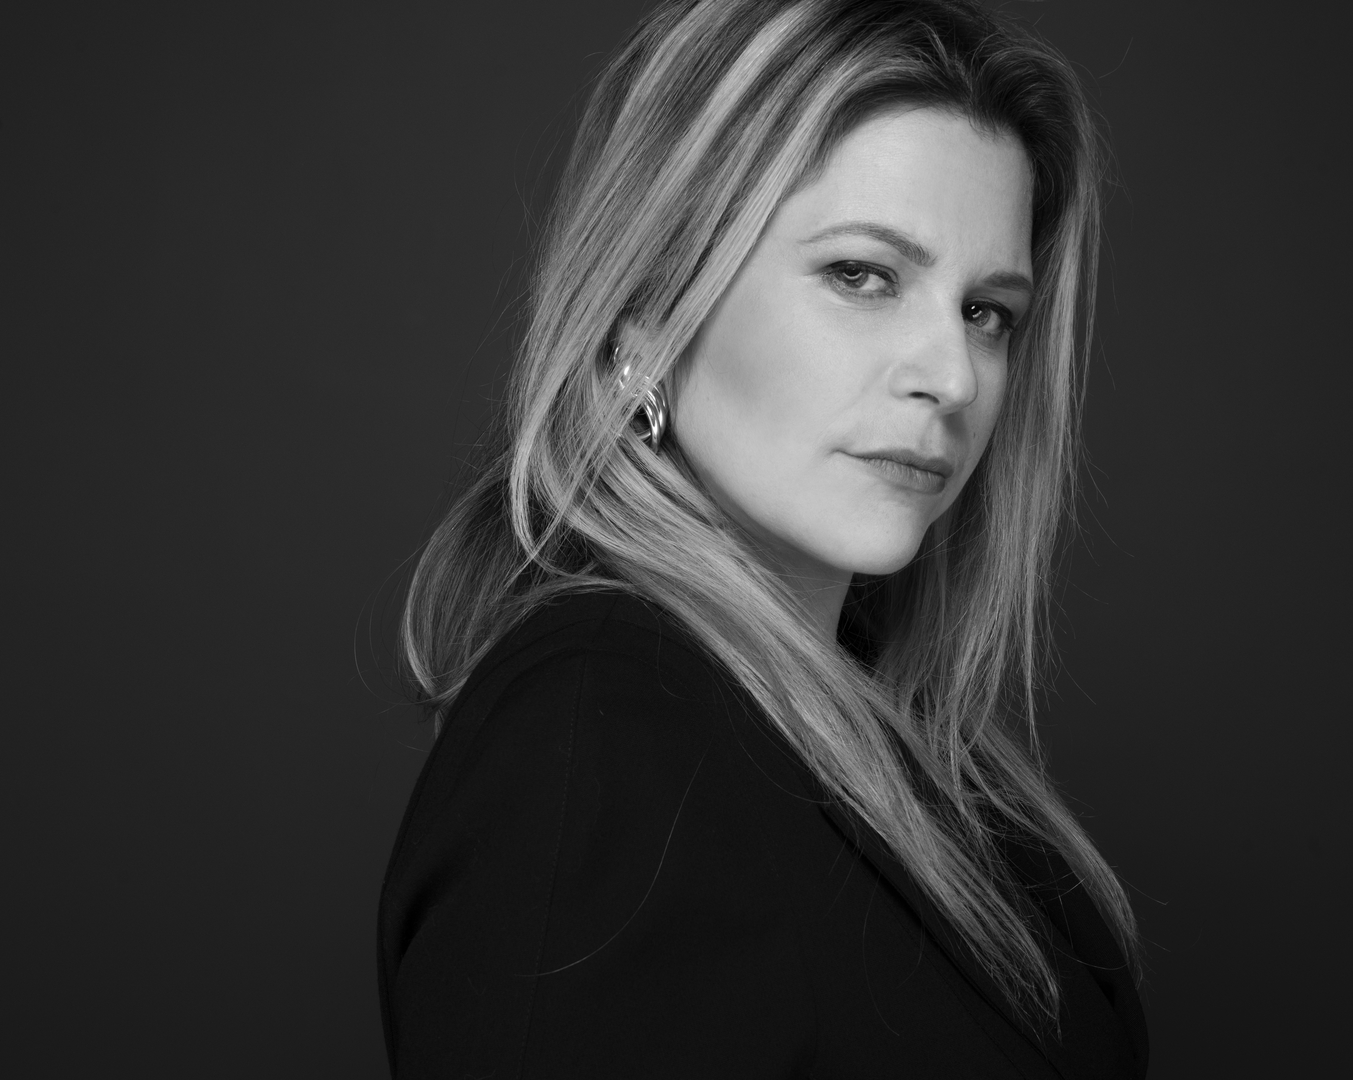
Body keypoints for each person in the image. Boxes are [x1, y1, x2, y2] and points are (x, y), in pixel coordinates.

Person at [377, 0, 1147, 1075]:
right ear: (648, 321)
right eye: (861, 276)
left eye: (987, 312)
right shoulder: (593, 742)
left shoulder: (908, 746)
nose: (954, 377)